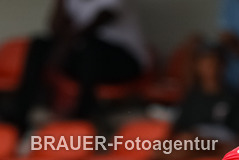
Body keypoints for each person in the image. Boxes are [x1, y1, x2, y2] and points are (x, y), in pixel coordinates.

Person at [2, 0, 150, 130]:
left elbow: (92, 28)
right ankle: (22, 114)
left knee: (91, 50)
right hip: (81, 56)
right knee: (40, 45)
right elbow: (55, 27)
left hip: (123, 62)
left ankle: (82, 118)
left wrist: (62, 50)